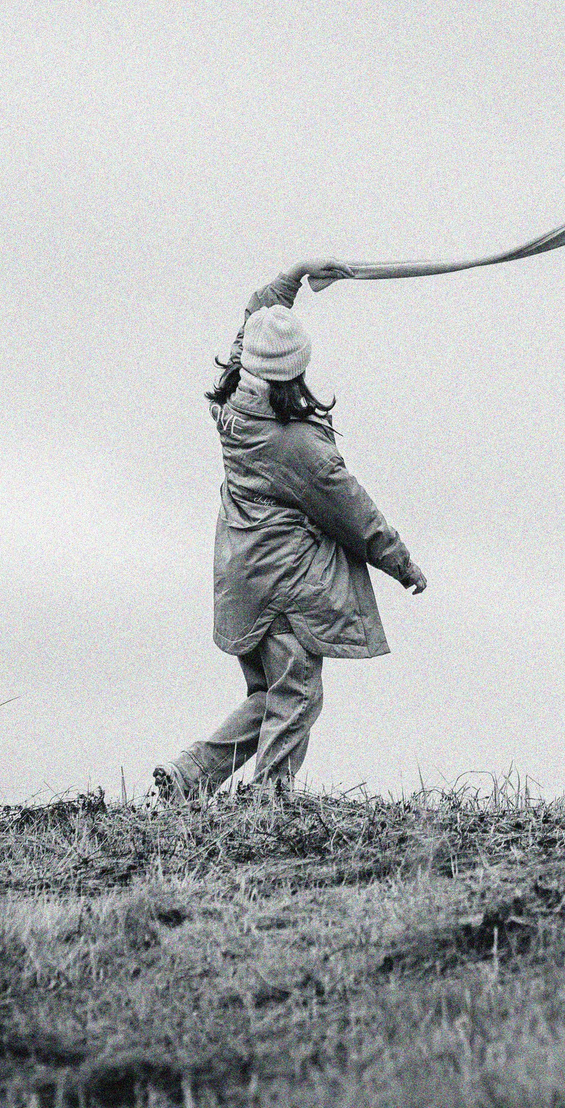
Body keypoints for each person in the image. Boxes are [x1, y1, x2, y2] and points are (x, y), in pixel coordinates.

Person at [154, 260, 426, 799]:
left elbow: (253, 321)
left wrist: (296, 275)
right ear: (297, 370)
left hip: (242, 583)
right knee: (297, 694)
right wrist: (402, 563)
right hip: (285, 592)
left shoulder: (232, 404)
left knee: (270, 696)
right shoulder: (297, 446)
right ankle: (270, 799)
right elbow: (353, 512)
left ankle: (188, 778)